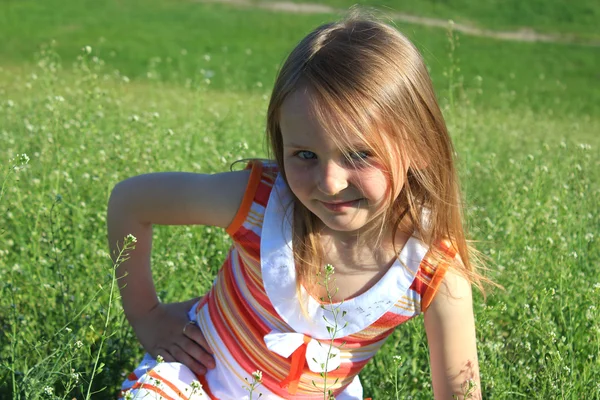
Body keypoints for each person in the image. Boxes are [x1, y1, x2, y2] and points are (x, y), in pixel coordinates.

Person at [108, 13, 486, 400]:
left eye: (358, 155)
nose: (330, 182)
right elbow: (131, 202)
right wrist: (148, 318)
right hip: (198, 383)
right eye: (305, 154)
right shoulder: (259, 201)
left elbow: (461, 392)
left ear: (420, 147)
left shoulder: (430, 267)